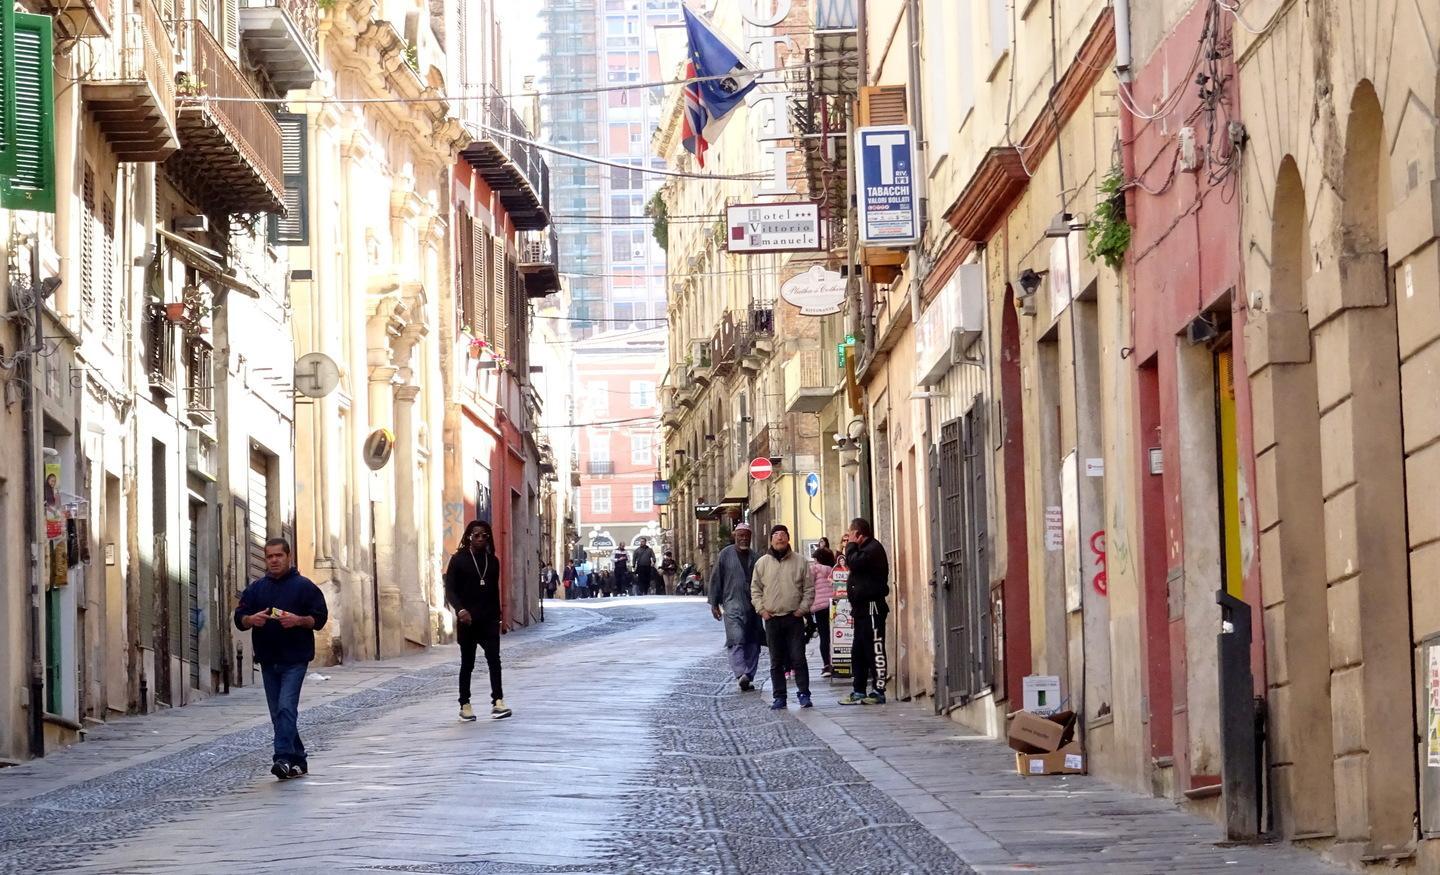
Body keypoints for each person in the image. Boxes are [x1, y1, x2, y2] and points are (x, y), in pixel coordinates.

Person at [234, 538, 329, 780]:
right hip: (267, 659)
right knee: (279, 712)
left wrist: (298, 620)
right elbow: (240, 617)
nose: (274, 560)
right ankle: (299, 760)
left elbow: (319, 619)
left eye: (279, 555)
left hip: (295, 659)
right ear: (265, 559)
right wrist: (250, 620)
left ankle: (283, 758)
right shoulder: (256, 589)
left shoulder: (304, 587)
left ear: (289, 557)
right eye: (270, 556)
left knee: (286, 707)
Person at [444, 520, 512, 721]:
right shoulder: (458, 559)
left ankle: (498, 701)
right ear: (469, 537)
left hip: (489, 619)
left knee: (494, 660)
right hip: (468, 621)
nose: (481, 538)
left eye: (485, 535)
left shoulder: (493, 561)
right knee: (468, 663)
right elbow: (450, 590)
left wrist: (499, 618)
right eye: (476, 535)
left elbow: (494, 591)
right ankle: (465, 705)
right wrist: (460, 610)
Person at [751, 524, 816, 709]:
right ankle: (779, 696)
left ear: (788, 538)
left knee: (798, 658)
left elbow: (809, 589)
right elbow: (755, 590)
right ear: (771, 540)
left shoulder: (800, 561)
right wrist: (762, 610)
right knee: (776, 661)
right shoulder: (762, 563)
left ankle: (804, 693)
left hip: (793, 618)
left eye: (783, 535)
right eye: (776, 535)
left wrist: (802, 609)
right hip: (772, 619)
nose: (779, 538)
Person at [839, 518, 890, 706]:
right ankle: (858, 690)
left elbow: (853, 563)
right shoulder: (863, 549)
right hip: (860, 609)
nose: (848, 539)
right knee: (858, 651)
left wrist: (850, 546)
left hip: (872, 607)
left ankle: (879, 690)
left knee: (875, 648)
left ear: (859, 535)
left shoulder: (873, 549)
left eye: (851, 535)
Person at [709, 523, 763, 691]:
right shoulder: (725, 555)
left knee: (754, 641)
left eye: (746, 535)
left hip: (754, 606)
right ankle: (740, 673)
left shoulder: (756, 557)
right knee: (736, 639)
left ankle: (749, 675)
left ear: (750, 537)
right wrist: (714, 603)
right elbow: (716, 578)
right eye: (740, 535)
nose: (743, 538)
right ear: (735, 536)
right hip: (732, 604)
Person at [810, 542, 837, 677]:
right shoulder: (834, 569)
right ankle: (838, 662)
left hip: (820, 607)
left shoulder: (815, 569)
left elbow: (809, 585)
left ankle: (827, 665)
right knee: (836, 635)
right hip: (835, 605)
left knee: (824, 636)